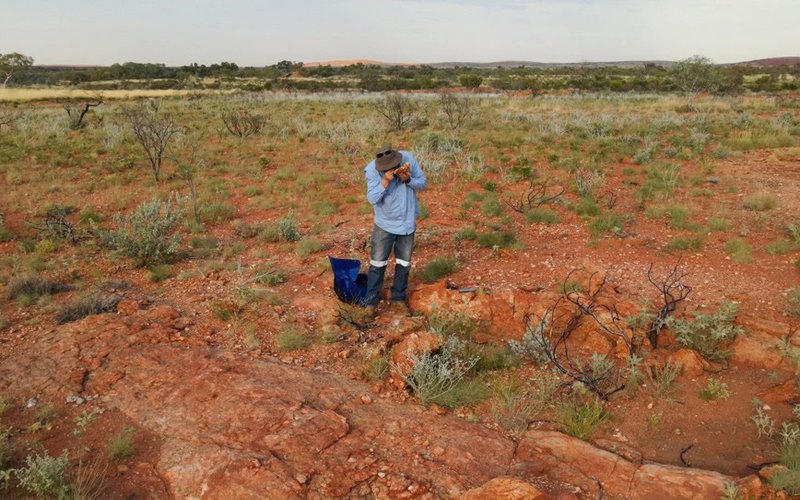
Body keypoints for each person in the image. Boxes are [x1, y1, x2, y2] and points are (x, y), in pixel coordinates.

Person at [363, 146, 427, 314]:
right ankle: (371, 303)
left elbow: (423, 183)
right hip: (384, 225)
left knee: (404, 264)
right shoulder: (372, 170)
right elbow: (372, 198)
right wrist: (385, 180)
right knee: (377, 264)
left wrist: (408, 180)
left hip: (407, 223)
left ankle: (398, 298)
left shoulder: (408, 158)